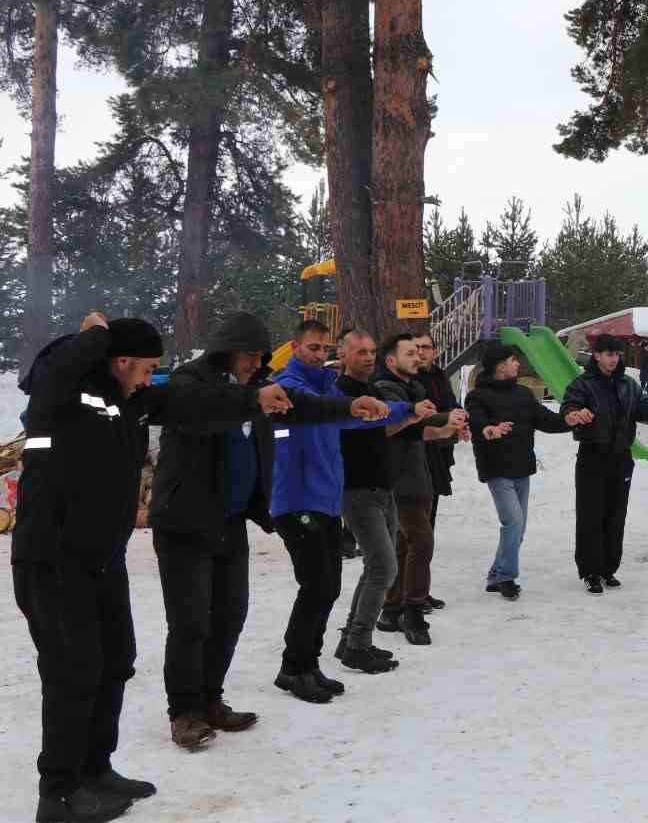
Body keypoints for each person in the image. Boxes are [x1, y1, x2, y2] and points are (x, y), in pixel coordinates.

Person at [14, 312, 293, 823]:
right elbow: (50, 372)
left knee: (117, 661)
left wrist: (253, 398)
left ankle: (96, 769)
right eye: (145, 367)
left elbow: (192, 402)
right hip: (52, 559)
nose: (150, 378)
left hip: (102, 558)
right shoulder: (60, 393)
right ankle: (58, 794)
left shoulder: (132, 401)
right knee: (73, 672)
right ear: (119, 361)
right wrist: (93, 334)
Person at [149, 313, 392, 750]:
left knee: (230, 616)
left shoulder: (256, 388)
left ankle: (210, 698)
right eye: (250, 354)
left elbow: (301, 407)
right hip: (184, 523)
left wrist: (348, 406)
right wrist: (253, 400)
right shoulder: (191, 381)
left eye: (261, 355)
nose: (256, 362)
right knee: (190, 623)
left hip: (229, 520)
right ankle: (184, 712)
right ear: (226, 349)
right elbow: (202, 411)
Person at [270, 321, 435, 703]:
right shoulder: (290, 387)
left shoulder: (327, 386)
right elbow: (326, 411)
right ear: (295, 346)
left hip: (326, 500)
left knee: (328, 587)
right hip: (299, 502)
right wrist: (357, 407)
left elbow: (360, 411)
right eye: (313, 347)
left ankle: (309, 665)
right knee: (317, 587)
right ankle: (294, 668)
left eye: (323, 348)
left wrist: (405, 409)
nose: (319, 354)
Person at [465, 343, 587, 599]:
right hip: (496, 468)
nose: (518, 364)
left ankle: (496, 574)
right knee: (513, 521)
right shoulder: (477, 396)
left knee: (517, 528)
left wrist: (567, 420)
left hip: (521, 468)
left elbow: (545, 420)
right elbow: (477, 424)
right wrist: (489, 430)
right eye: (513, 360)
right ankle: (507, 577)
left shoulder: (523, 394)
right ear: (500, 366)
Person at [561, 332, 648, 594]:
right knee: (591, 514)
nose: (614, 359)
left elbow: (644, 407)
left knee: (616, 515)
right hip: (592, 456)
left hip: (621, 458)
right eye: (608, 354)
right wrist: (574, 414)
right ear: (597, 356)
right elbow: (568, 407)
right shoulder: (583, 384)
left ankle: (608, 568)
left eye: (616, 354)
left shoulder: (629, 384)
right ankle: (590, 571)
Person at [373, 333, 466, 645]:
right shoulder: (385, 388)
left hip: (419, 475)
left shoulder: (415, 388)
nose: (417, 357)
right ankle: (413, 611)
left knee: (404, 544)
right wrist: (438, 415)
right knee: (422, 541)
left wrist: (447, 430)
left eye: (420, 351)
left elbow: (419, 432)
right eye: (410, 353)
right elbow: (393, 424)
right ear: (390, 360)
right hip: (398, 480)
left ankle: (390, 609)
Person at [332, 330, 411, 676]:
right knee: (384, 567)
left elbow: (383, 428)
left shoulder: (373, 390)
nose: (368, 357)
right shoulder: (337, 393)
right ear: (343, 354)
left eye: (372, 352)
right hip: (357, 490)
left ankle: (352, 638)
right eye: (360, 352)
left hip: (382, 487)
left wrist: (413, 417)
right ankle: (357, 644)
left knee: (378, 567)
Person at [412, 332, 458, 611]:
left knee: (427, 529)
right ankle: (407, 595)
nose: (420, 352)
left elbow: (450, 406)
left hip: (438, 457)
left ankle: (420, 590)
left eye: (426, 347)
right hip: (415, 458)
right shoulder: (409, 381)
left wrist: (459, 421)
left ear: (435, 351)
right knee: (413, 534)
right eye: (415, 348)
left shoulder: (440, 376)